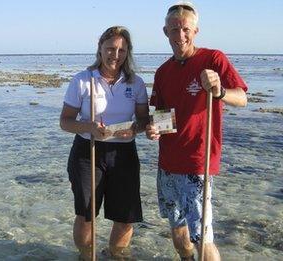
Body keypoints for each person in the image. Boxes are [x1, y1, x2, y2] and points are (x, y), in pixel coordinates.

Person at [146, 2, 248, 260]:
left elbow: (242, 98)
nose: (180, 35)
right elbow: (160, 115)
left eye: (185, 29)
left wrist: (220, 91)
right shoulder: (162, 71)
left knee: (202, 239)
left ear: (196, 30)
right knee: (178, 233)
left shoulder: (213, 59)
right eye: (174, 29)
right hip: (167, 164)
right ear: (165, 31)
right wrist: (154, 129)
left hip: (197, 164)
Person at [60, 26, 149, 259]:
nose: (115, 55)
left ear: (128, 52)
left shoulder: (136, 83)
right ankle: (86, 256)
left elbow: (143, 121)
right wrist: (88, 127)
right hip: (87, 152)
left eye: (121, 50)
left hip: (124, 153)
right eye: (110, 48)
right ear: (100, 48)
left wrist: (135, 128)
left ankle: (115, 255)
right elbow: (65, 122)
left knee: (125, 216)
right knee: (86, 214)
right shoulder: (82, 80)